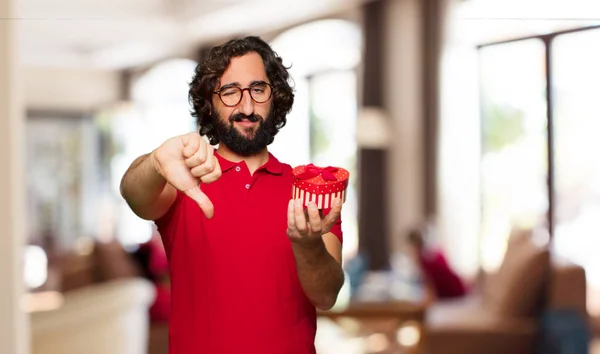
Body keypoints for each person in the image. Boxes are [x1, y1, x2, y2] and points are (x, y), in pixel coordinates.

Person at [120, 36, 345, 354]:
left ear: (274, 97)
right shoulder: (184, 179)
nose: (247, 106)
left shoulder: (310, 189)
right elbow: (133, 194)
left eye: (258, 89)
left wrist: (308, 245)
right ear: (209, 103)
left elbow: (326, 296)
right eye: (230, 92)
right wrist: (156, 161)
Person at [407, 221, 468, 301]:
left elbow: (430, 286)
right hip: (458, 288)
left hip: (455, 291)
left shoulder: (425, 260)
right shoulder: (430, 254)